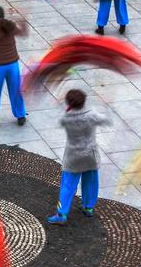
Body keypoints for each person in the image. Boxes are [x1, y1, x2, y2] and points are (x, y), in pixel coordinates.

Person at [47, 89, 110, 225]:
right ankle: (88, 207)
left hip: (73, 158)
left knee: (68, 185)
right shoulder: (92, 115)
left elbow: (59, 121)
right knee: (91, 182)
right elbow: (105, 120)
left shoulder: (66, 118)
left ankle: (62, 213)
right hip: (90, 156)